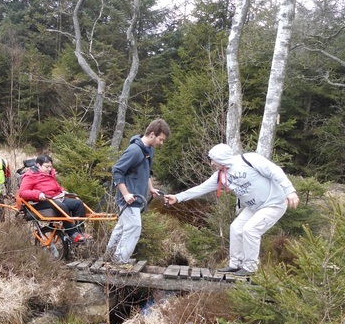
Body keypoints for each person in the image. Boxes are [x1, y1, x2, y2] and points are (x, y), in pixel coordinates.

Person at [164, 143, 300, 276]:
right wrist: (177, 197)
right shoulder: (220, 175)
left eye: (213, 160)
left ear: (221, 159)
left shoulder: (250, 159)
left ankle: (250, 267)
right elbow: (201, 189)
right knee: (236, 228)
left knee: (250, 230)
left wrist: (290, 191)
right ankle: (235, 264)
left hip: (274, 203)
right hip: (254, 207)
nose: (211, 163)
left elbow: (274, 171)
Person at [105, 118, 171, 265]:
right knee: (135, 226)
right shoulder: (134, 150)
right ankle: (119, 261)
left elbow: (146, 172)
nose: (161, 143)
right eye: (161, 139)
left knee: (122, 227)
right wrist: (126, 193)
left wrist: (151, 188)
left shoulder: (149, 150)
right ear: (152, 134)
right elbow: (117, 171)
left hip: (137, 197)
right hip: (129, 198)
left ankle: (108, 255)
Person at [18, 155, 91, 244]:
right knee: (61, 206)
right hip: (40, 202)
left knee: (78, 203)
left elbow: (56, 187)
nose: (49, 169)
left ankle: (80, 231)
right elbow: (22, 192)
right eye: (46, 166)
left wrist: (62, 191)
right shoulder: (30, 176)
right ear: (38, 165)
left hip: (55, 198)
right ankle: (72, 233)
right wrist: (38, 194)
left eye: (50, 166)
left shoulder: (50, 174)